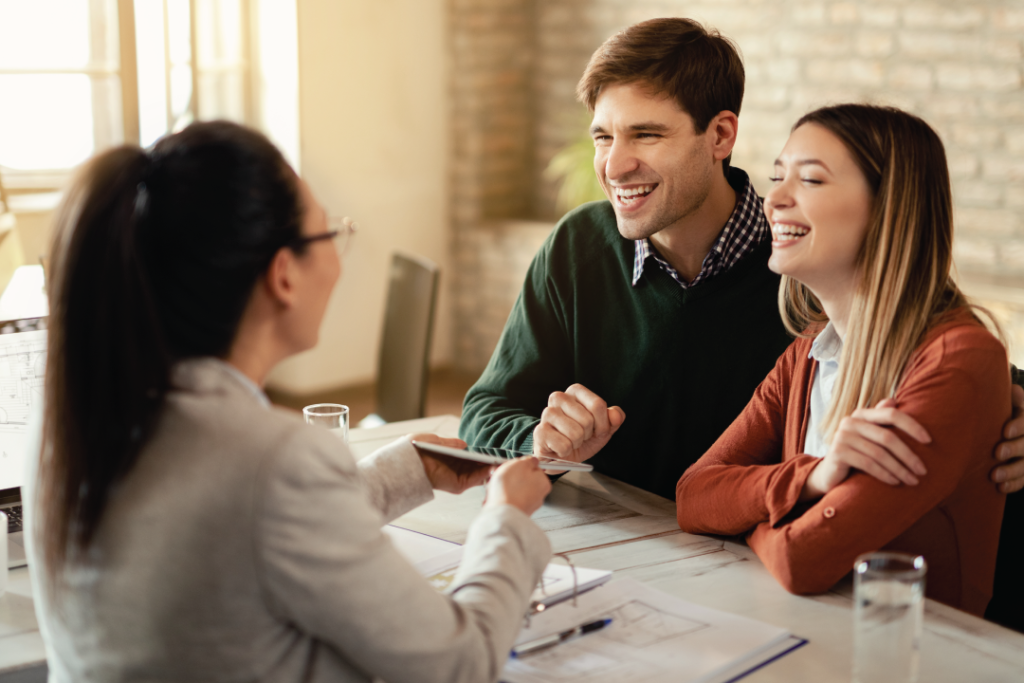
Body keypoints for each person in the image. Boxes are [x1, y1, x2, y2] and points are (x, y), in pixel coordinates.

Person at [23, 121, 553, 683]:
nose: (338, 260)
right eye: (328, 234)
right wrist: (505, 521)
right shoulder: (271, 458)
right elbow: (459, 662)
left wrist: (407, 470)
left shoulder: (71, 418)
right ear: (283, 275)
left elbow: (248, 525)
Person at [459, 16, 1024, 501]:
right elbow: (485, 410)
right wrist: (540, 439)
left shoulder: (806, 258)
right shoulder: (580, 245)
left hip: (755, 553)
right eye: (603, 137)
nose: (614, 165)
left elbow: (945, 340)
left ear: (721, 134)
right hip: (622, 547)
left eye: (646, 135)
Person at [676, 104, 1007, 616]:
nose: (775, 200)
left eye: (810, 179)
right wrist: (811, 478)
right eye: (777, 177)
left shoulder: (957, 360)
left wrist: (751, 519)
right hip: (796, 632)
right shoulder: (808, 352)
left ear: (889, 208)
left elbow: (801, 559)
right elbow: (694, 494)